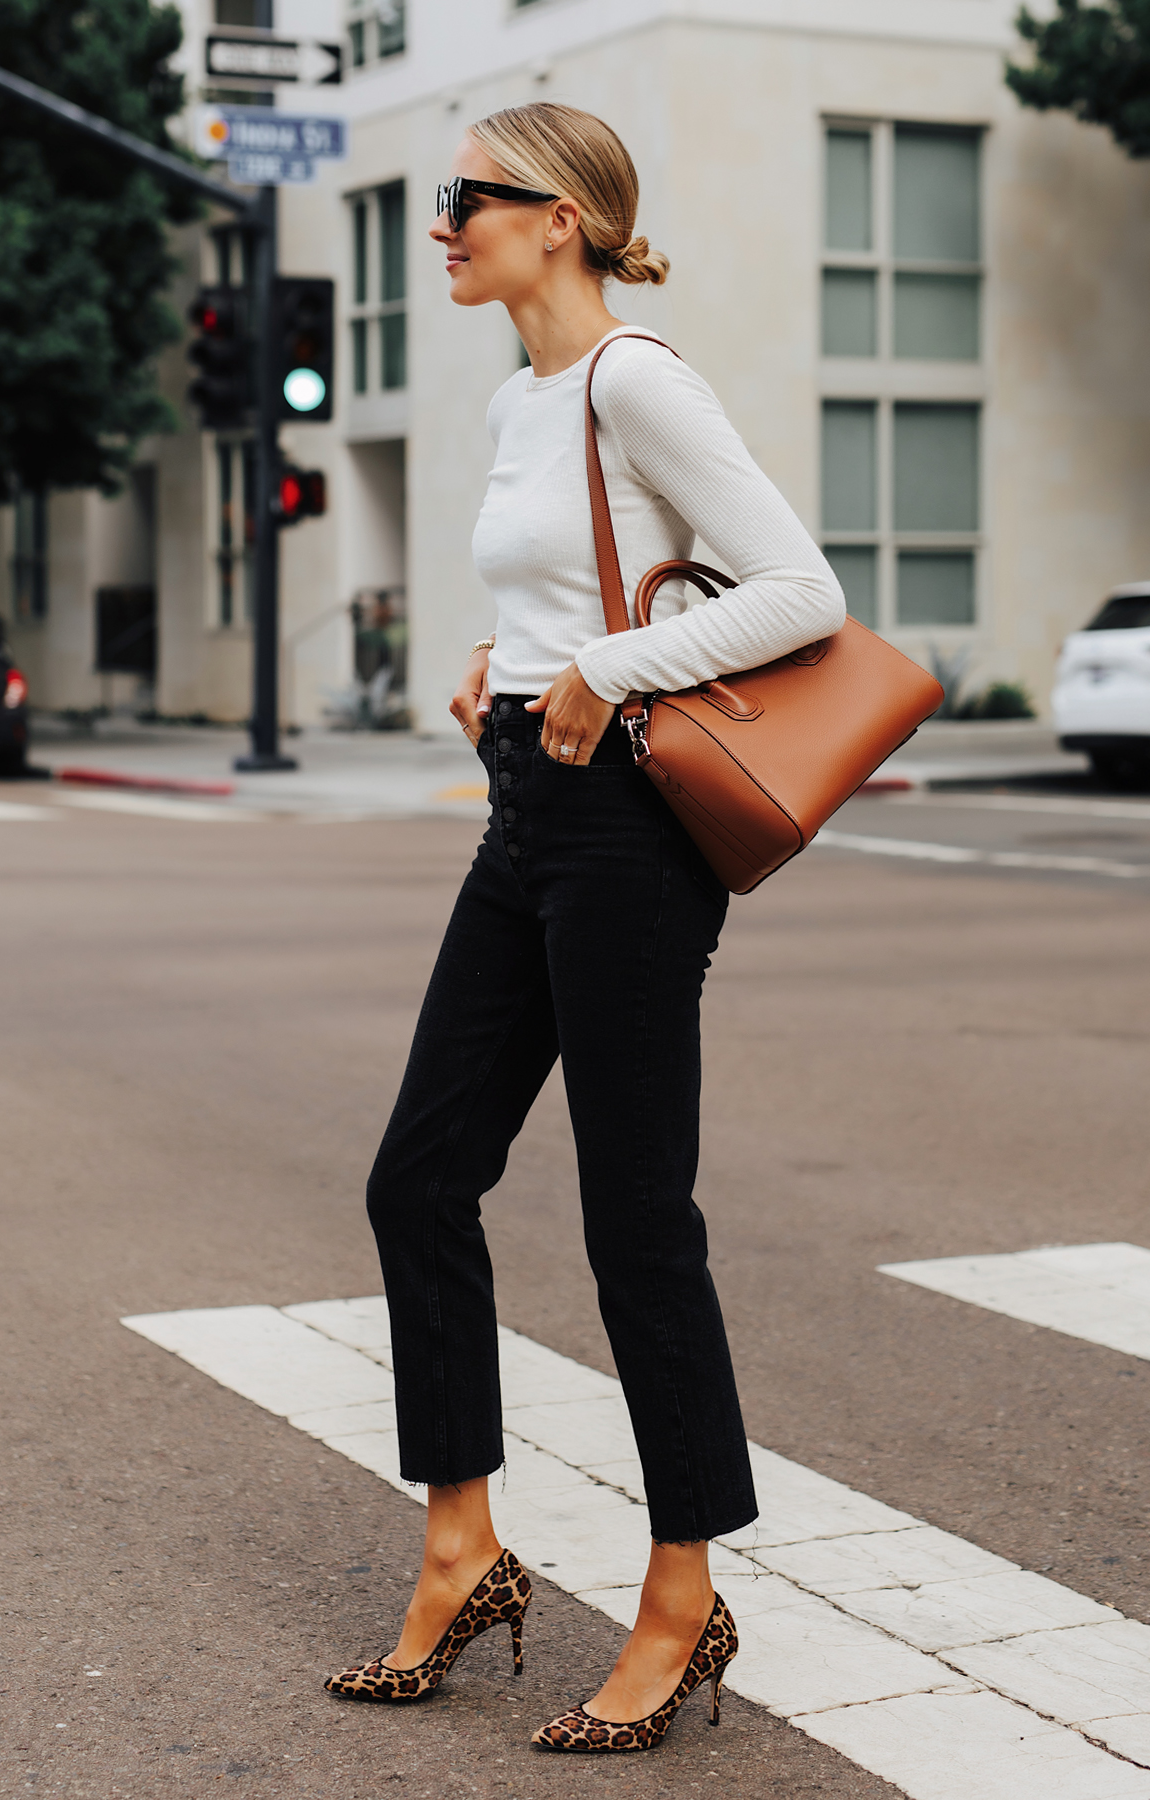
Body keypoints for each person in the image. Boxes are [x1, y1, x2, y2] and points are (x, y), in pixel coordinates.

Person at [325, 101, 844, 1753]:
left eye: (466, 198)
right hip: (525, 810)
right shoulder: (520, 397)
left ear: (559, 218)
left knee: (636, 1225)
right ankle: (463, 1549)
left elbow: (798, 590)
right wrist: (516, 658)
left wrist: (607, 671)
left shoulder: (639, 380)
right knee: (419, 1177)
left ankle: (684, 1596)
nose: (442, 225)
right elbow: (568, 588)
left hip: (628, 833)